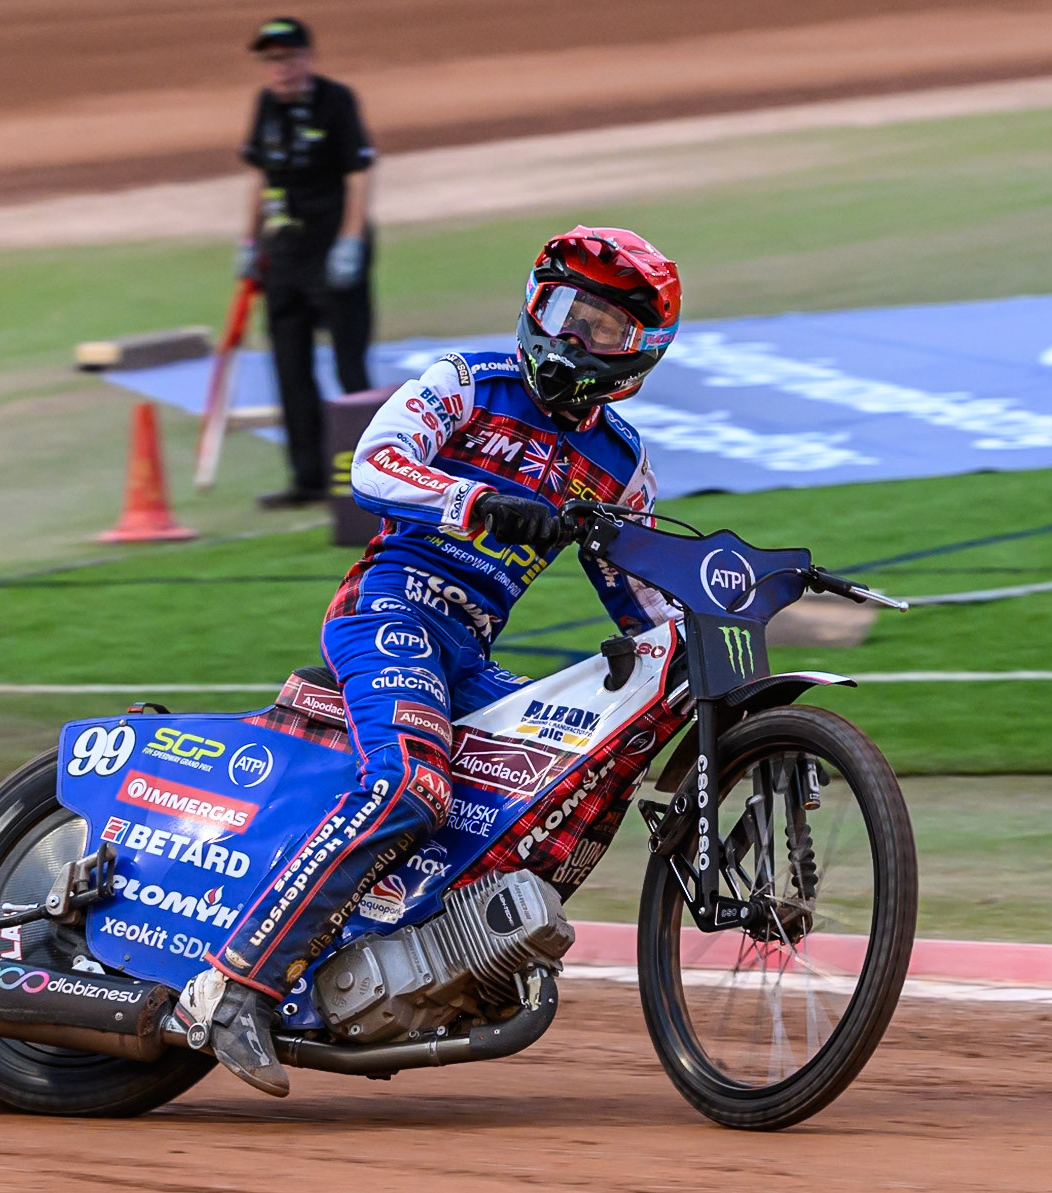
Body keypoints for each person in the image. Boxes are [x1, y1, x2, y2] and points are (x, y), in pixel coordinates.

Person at [192, 226, 684, 1096]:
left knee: (551, 782)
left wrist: (700, 636)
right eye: (568, 313)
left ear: (637, 353)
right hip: (388, 608)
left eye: (603, 329)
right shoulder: (466, 382)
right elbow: (372, 467)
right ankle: (238, 983)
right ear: (536, 306)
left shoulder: (621, 466)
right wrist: (480, 504)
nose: (576, 339)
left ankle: (414, 965)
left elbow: (642, 598)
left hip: (469, 651)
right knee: (413, 784)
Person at [238, 17, 377, 507]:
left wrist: (351, 242)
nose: (280, 68)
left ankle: (376, 477)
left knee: (349, 367)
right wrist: (249, 241)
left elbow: (358, 176)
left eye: (288, 57)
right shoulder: (266, 107)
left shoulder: (335, 101)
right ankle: (307, 478)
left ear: (307, 58)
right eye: (271, 59)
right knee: (289, 366)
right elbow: (261, 177)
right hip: (285, 255)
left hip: (332, 247)